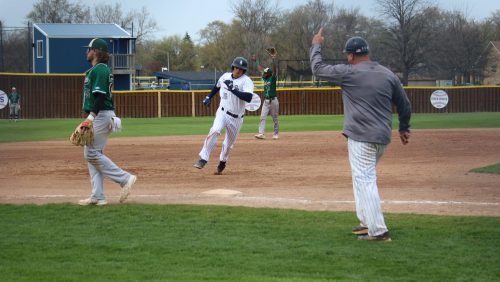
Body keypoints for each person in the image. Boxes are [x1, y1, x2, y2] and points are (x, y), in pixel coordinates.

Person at [310, 28, 411, 241]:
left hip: (361, 137)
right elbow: (404, 104)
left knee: (365, 180)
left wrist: (316, 45)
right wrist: (403, 128)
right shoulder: (387, 73)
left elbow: (317, 68)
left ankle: (378, 231)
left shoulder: (349, 72)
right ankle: (366, 222)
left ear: (350, 55)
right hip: (383, 138)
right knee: (361, 179)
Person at [78, 38, 137, 206]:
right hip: (101, 114)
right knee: (92, 153)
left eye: (88, 49)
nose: (86, 52)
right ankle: (98, 196)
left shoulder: (100, 70)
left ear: (95, 51)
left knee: (91, 154)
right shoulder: (97, 70)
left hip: (101, 115)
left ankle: (125, 179)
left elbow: (100, 95)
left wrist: (90, 118)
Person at [194, 57, 254, 174]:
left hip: (237, 118)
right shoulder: (225, 76)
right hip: (223, 112)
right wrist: (209, 97)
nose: (238, 71)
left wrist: (233, 89)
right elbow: (217, 87)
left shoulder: (246, 81)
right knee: (215, 130)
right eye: (237, 68)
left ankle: (222, 161)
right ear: (233, 67)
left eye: (241, 69)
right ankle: (203, 158)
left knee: (228, 144)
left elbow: (248, 97)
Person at [254, 53, 280, 140]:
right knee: (262, 117)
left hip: (273, 101)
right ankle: (261, 133)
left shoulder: (272, 78)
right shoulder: (265, 78)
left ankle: (276, 133)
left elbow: (274, 70)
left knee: (275, 118)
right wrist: (256, 61)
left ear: (268, 74)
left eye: (265, 73)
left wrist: (273, 59)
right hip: (266, 101)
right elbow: (260, 69)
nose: (263, 74)